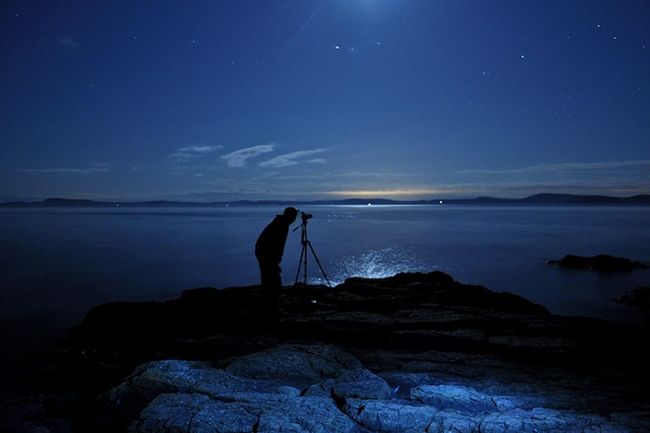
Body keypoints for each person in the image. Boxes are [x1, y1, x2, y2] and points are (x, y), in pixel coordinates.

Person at [255, 207, 299, 316]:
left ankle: (269, 303)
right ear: (290, 216)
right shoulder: (281, 225)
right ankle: (270, 306)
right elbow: (276, 244)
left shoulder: (281, 223)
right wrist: (275, 260)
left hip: (264, 251)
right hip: (265, 253)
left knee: (269, 277)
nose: (295, 219)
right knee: (271, 278)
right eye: (294, 216)